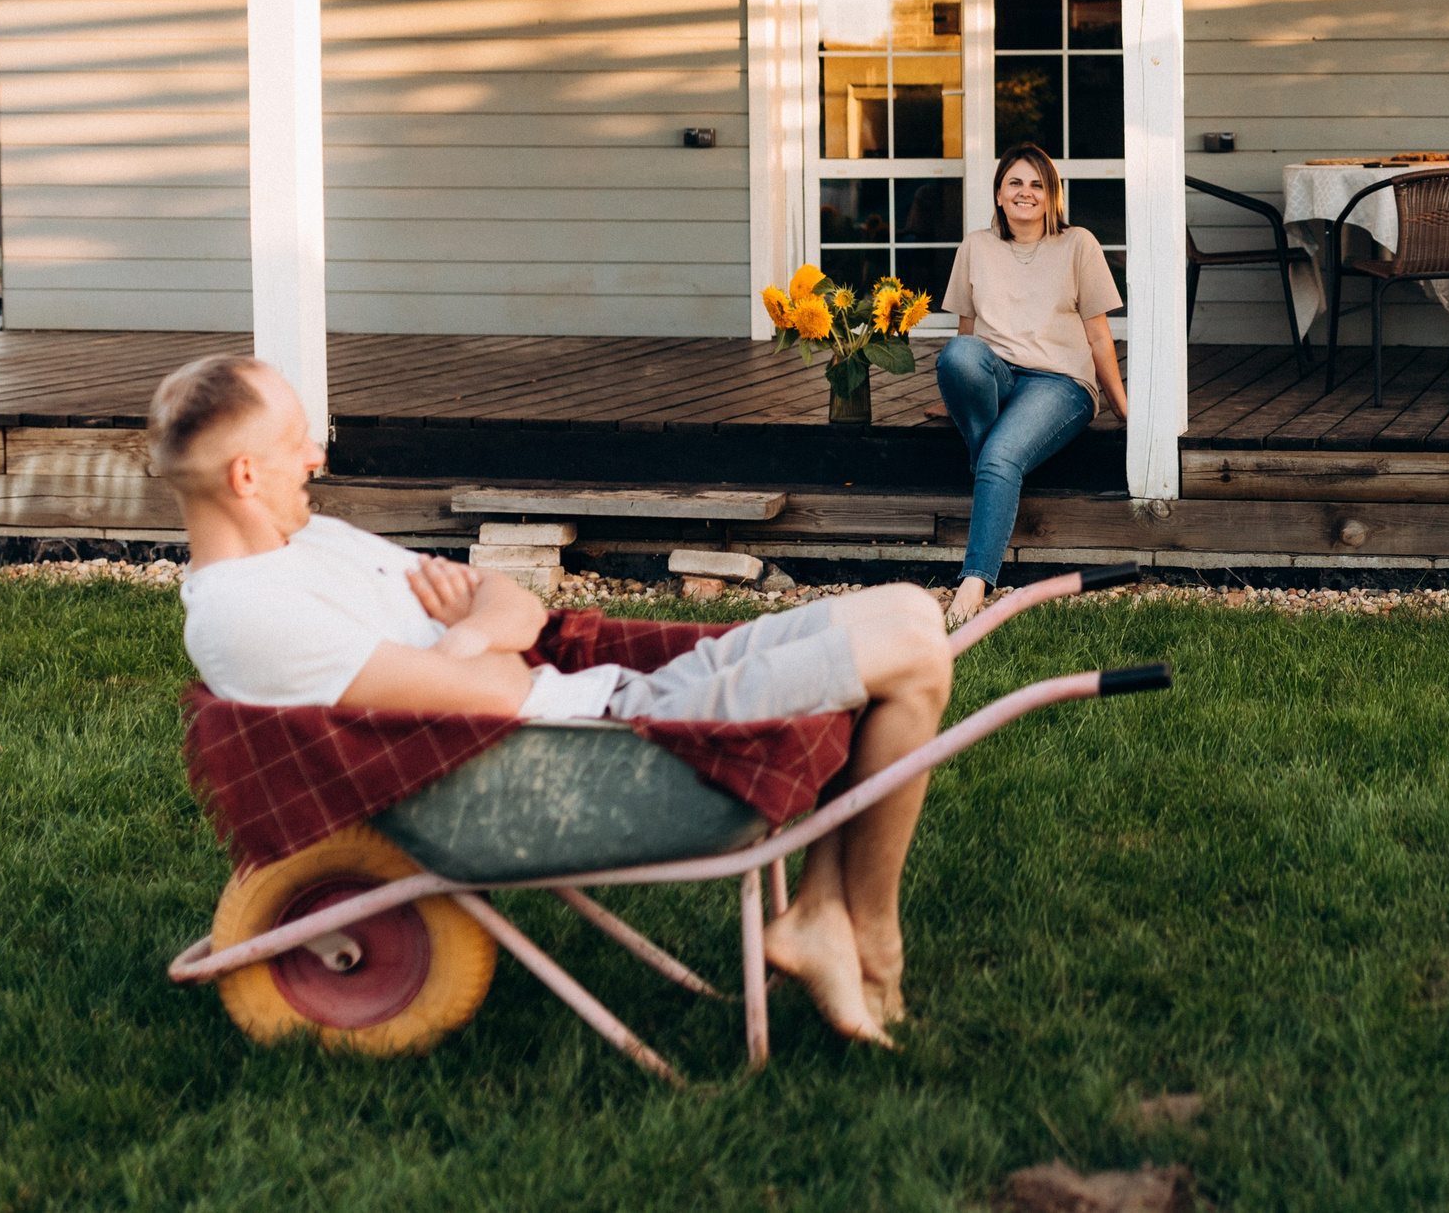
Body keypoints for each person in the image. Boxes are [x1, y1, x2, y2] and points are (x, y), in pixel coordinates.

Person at [149, 352, 948, 1046]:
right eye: (296, 441)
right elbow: (494, 695)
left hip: (613, 705)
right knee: (914, 656)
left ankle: (822, 910)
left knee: (912, 609)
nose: (317, 455)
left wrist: (470, 636)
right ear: (245, 475)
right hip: (621, 744)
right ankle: (875, 937)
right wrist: (477, 644)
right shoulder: (251, 615)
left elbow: (514, 606)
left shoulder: (312, 541)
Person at [936, 144, 1127, 624]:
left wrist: (1121, 406)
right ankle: (994, 459)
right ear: (999, 194)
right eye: (1015, 183)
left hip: (1059, 384)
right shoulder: (975, 246)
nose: (1026, 192)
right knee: (956, 354)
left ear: (1052, 195)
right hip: (999, 377)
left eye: (1038, 184)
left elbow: (1098, 336)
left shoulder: (1078, 244)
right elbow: (966, 336)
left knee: (1000, 456)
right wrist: (958, 397)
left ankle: (973, 583)